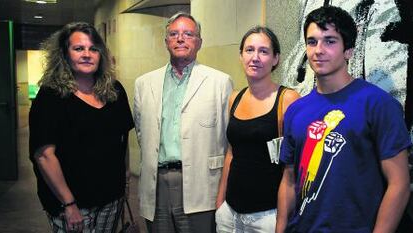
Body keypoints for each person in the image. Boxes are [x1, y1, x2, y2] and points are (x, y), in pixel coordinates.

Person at [276, 6, 412, 233]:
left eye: (330, 41)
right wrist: (280, 228)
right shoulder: (296, 110)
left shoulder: (378, 104)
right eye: (312, 41)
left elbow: (399, 184)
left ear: (348, 50)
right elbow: (289, 180)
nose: (318, 50)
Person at [29, 22, 134, 232]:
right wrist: (69, 204)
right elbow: (44, 155)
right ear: (65, 55)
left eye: (93, 49)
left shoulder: (114, 91)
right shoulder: (51, 96)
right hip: (70, 203)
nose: (87, 54)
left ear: (101, 55)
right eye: (78, 48)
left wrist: (125, 184)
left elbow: (122, 140)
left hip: (111, 199)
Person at [133, 12, 233, 233]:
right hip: (156, 184)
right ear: (166, 41)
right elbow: (142, 133)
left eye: (188, 34)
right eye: (174, 34)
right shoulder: (144, 83)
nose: (180, 39)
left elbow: (228, 140)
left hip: (202, 184)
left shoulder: (220, 82)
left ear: (199, 42)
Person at [214, 26, 300, 232]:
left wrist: (282, 220)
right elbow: (231, 152)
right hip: (230, 213)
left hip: (267, 217)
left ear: (276, 58)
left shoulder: (288, 99)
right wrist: (220, 202)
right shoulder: (235, 97)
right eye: (249, 50)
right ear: (241, 56)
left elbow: (293, 168)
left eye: (264, 51)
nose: (255, 57)